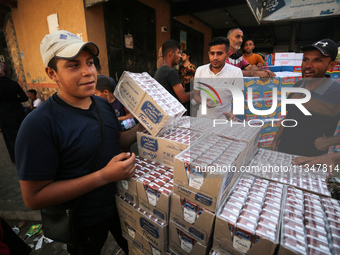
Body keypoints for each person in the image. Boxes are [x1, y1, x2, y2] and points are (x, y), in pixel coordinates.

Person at [15, 30, 144, 255]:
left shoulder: (102, 105)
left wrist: (143, 129)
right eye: (74, 65)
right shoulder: (38, 125)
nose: (88, 72)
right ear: (52, 73)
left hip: (122, 205)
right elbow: (33, 198)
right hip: (83, 220)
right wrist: (104, 176)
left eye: (90, 63)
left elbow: (115, 141)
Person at [270, 38, 340, 157]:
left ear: (331, 65)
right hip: (284, 153)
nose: (308, 66)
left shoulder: (337, 91)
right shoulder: (298, 85)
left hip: (312, 161)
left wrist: (329, 141)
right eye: (305, 60)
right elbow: (289, 117)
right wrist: (275, 141)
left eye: (317, 60)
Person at [193, 36, 244, 120]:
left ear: (227, 55)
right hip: (201, 119)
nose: (215, 57)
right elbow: (196, 94)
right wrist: (203, 101)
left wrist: (232, 114)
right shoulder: (200, 70)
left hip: (223, 120)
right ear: (209, 54)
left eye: (219, 53)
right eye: (212, 53)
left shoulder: (236, 72)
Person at [0, 62, 28, 163]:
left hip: (3, 114)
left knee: (9, 137)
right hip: (17, 111)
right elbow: (24, 97)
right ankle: (28, 155)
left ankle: (17, 158)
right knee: (22, 134)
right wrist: (14, 100)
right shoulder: (13, 84)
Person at [154, 39, 191, 105]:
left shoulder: (159, 70)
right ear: (171, 54)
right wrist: (198, 92)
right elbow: (183, 98)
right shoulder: (171, 72)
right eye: (178, 53)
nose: (180, 56)